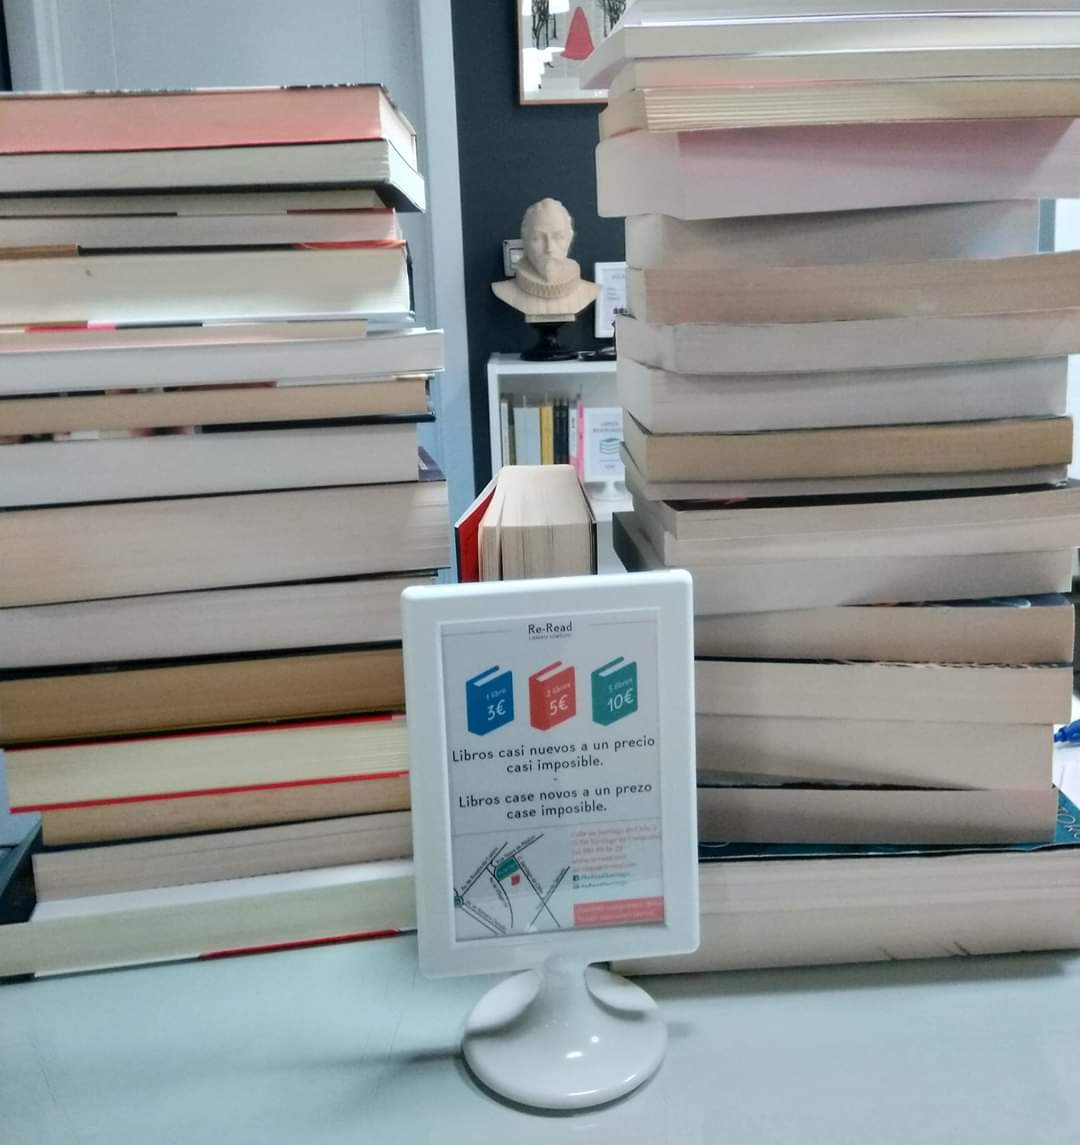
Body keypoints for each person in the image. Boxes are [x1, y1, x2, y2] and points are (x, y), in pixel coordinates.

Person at [492, 198, 599, 321]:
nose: (549, 248)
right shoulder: (503, 291)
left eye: (558, 237)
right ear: (525, 241)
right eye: (537, 238)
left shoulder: (590, 291)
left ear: (570, 239)